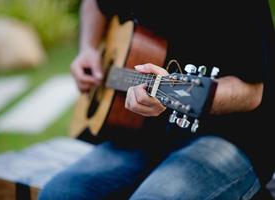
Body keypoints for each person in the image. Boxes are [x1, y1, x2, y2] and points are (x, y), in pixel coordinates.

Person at [39, 0, 275, 199]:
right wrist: (88, 48)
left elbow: (251, 93)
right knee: (59, 193)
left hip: (230, 136)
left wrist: (171, 91)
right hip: (143, 131)